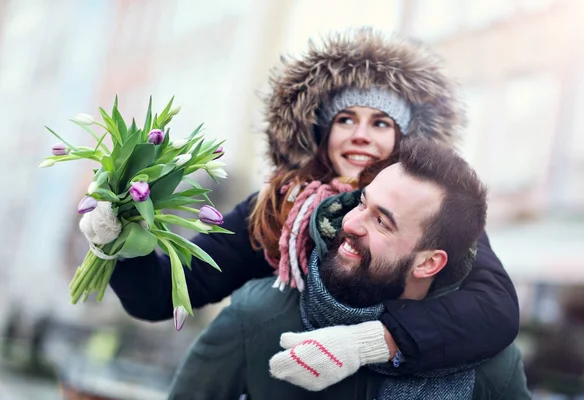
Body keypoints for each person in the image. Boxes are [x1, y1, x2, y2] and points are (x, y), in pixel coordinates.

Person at [107, 28, 519, 376]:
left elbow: (494, 309)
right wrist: (123, 244)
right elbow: (170, 291)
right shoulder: (277, 207)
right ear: (324, 134)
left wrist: (375, 341)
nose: (360, 134)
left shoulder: (432, 214)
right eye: (345, 120)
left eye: (380, 122)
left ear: (403, 141)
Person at [166, 138, 531, 399]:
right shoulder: (257, 316)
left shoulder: (490, 365)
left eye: (383, 222)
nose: (353, 223)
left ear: (429, 262)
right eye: (362, 202)